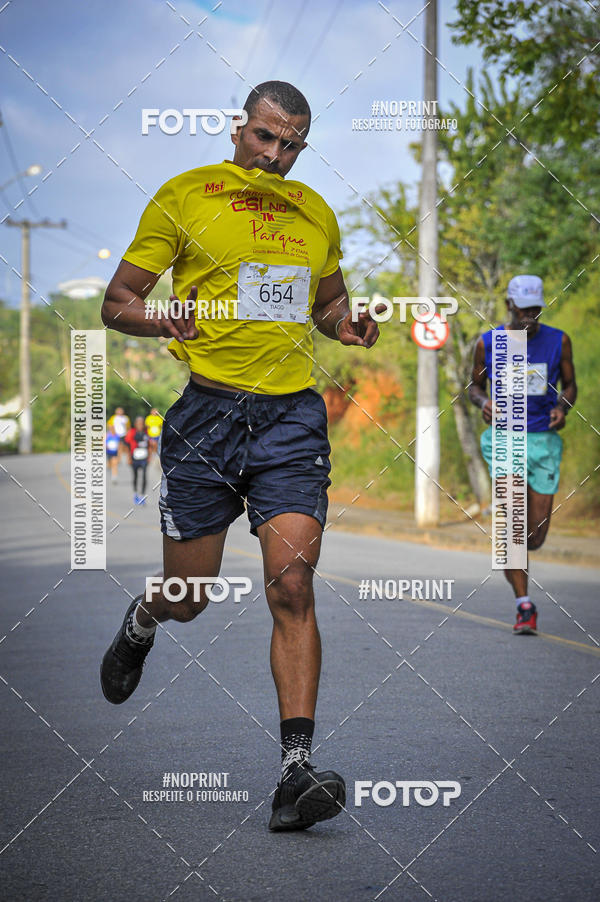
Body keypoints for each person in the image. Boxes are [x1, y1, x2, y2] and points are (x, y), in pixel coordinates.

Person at [100, 80, 383, 832]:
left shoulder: (314, 211)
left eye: (291, 145)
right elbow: (117, 300)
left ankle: (294, 774)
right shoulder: (184, 196)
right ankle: (144, 617)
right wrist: (163, 316)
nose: (277, 155)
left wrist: (347, 327)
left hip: (292, 417)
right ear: (239, 127)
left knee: (292, 587)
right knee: (190, 598)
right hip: (208, 415)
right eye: (266, 137)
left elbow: (327, 304)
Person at [469, 274, 577, 635]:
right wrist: (484, 403)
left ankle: (515, 547)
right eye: (523, 309)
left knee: (537, 536)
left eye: (536, 309)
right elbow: (474, 386)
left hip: (544, 441)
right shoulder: (490, 343)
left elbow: (571, 384)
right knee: (516, 530)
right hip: (506, 438)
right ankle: (524, 606)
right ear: (509, 306)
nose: (530, 316)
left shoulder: (559, 340)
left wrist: (563, 406)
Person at [124, 416, 150, 505]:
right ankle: (135, 494)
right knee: (135, 476)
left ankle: (142, 495)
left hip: (144, 458)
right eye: (138, 423)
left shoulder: (146, 432)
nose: (140, 425)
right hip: (134, 458)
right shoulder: (132, 432)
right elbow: (127, 445)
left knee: (144, 476)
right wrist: (129, 458)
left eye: (141, 423)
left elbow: (150, 444)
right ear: (135, 424)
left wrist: (150, 457)